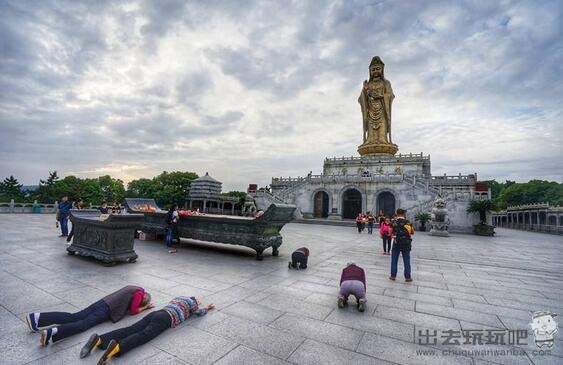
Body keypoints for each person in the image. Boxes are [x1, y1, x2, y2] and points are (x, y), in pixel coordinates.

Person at [80, 296, 214, 364]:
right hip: (166, 319)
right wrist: (206, 308)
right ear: (194, 300)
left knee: (130, 328)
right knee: (144, 335)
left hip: (157, 313)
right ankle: (117, 347)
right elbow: (197, 313)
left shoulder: (178, 298)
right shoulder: (192, 303)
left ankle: (99, 340)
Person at [26, 286, 153, 346]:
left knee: (74, 316)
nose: (143, 300)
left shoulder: (133, 288)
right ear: (145, 297)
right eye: (144, 301)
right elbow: (133, 310)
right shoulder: (139, 293)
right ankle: (52, 332)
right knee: (83, 324)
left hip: (103, 302)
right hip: (107, 309)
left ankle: (37, 318)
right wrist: (145, 307)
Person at [389, 208, 414, 282]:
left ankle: (393, 276)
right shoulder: (407, 222)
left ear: (397, 213)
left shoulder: (394, 221)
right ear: (403, 214)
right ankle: (408, 277)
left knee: (394, 260)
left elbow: (390, 232)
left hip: (396, 242)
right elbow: (412, 232)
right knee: (406, 260)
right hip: (406, 243)